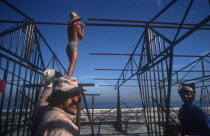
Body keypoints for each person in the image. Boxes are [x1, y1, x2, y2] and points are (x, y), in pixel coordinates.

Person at [66, 12, 85, 76]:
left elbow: (71, 22)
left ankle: (69, 78)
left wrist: (79, 23)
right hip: (74, 45)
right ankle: (68, 78)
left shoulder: (69, 26)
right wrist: (83, 28)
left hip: (68, 46)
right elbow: (81, 37)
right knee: (73, 64)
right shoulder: (76, 26)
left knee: (71, 64)